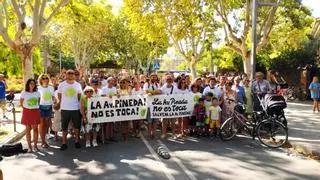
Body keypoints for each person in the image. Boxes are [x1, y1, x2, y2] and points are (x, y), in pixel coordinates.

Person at [57, 69, 83, 151]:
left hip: (75, 108)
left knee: (77, 127)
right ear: (66, 74)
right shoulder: (61, 85)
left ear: (74, 75)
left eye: (72, 73)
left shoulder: (78, 85)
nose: (71, 74)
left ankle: (77, 141)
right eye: (69, 73)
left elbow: (80, 97)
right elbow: (59, 96)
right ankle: (64, 143)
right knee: (64, 127)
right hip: (65, 108)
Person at [20, 78, 41, 152]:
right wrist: (27, 108)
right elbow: (21, 103)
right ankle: (29, 147)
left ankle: (35, 146)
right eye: (31, 83)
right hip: (27, 112)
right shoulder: (24, 93)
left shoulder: (37, 93)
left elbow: (38, 102)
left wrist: (33, 108)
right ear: (28, 84)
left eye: (33, 83)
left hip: (35, 111)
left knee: (35, 129)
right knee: (28, 129)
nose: (32, 85)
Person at [37, 74, 55, 148]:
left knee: (47, 125)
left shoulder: (51, 88)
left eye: (47, 78)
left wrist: (56, 102)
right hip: (41, 108)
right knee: (41, 124)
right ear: (41, 80)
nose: (45, 80)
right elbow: (37, 99)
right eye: (43, 78)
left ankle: (45, 139)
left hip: (49, 108)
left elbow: (53, 97)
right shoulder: (38, 88)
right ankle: (43, 142)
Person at [144, 73, 162, 139]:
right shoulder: (146, 84)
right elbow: (146, 92)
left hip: (156, 105)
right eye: (153, 77)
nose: (154, 78)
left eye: (155, 77)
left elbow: (160, 92)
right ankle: (149, 134)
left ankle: (153, 134)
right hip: (149, 105)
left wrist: (151, 92)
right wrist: (155, 92)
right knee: (149, 121)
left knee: (155, 121)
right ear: (150, 77)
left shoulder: (157, 84)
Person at [160, 75, 178, 139]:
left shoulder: (175, 88)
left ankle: (173, 134)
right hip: (165, 108)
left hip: (173, 108)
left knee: (173, 122)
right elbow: (159, 94)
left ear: (172, 80)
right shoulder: (163, 87)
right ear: (166, 80)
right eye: (167, 79)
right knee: (164, 122)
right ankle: (164, 134)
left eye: (170, 79)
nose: (169, 81)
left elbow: (178, 97)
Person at [101, 77, 117, 141]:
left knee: (112, 122)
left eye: (113, 81)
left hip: (113, 107)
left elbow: (115, 95)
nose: (113, 82)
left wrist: (117, 95)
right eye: (112, 81)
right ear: (108, 82)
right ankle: (106, 137)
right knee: (107, 123)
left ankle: (111, 136)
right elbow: (102, 96)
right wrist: (107, 96)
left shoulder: (114, 88)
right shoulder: (104, 88)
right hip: (106, 107)